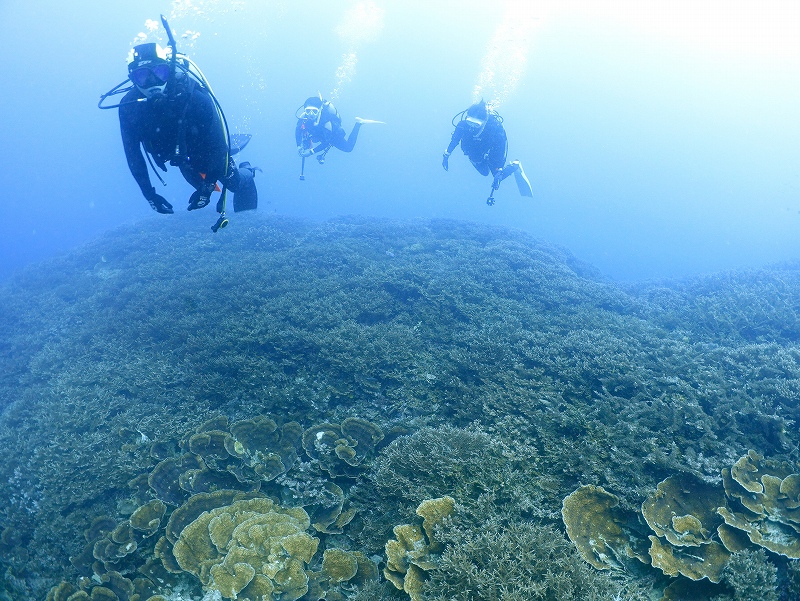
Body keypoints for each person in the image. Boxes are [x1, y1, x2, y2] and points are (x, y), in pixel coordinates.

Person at [117, 42, 258, 216]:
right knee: (200, 185)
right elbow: (133, 155)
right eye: (142, 76)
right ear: (132, 79)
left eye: (159, 72)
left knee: (233, 183)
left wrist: (207, 189)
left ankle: (248, 171)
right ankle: (207, 184)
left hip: (210, 151)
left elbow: (218, 146)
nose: (152, 82)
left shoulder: (194, 96)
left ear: (168, 70)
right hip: (181, 158)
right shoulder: (128, 108)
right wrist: (149, 194)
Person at [442, 100, 531, 204]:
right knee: (484, 173)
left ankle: (515, 166)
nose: (471, 126)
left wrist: (499, 171)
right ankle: (487, 160)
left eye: (476, 124)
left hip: (493, 151)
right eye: (469, 122)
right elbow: (455, 140)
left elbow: (501, 150)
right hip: (474, 151)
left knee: (496, 176)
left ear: (484, 122)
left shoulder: (495, 129)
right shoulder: (463, 125)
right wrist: (446, 155)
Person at [295, 94, 379, 164]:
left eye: (314, 111)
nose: (311, 114)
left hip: (332, 135)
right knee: (313, 139)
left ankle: (358, 123)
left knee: (348, 148)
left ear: (319, 110)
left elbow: (326, 142)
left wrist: (311, 152)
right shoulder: (303, 117)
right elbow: (298, 130)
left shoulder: (326, 121)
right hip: (319, 133)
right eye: (308, 111)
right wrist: (299, 146)